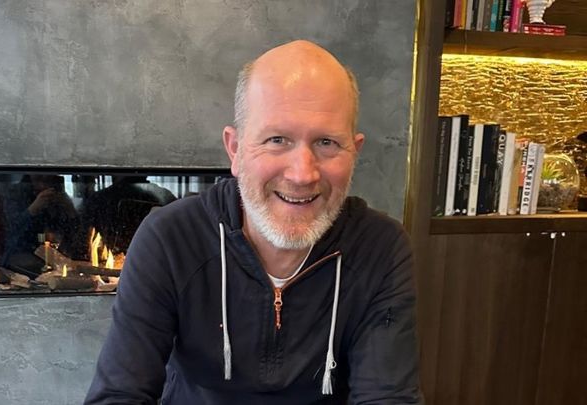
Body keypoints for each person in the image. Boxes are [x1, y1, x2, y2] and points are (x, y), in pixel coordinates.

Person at [84, 40, 422, 404]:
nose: (302, 174)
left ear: (354, 151)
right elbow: (119, 394)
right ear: (235, 148)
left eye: (326, 142)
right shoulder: (170, 238)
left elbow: (389, 399)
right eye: (277, 139)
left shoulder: (380, 248)